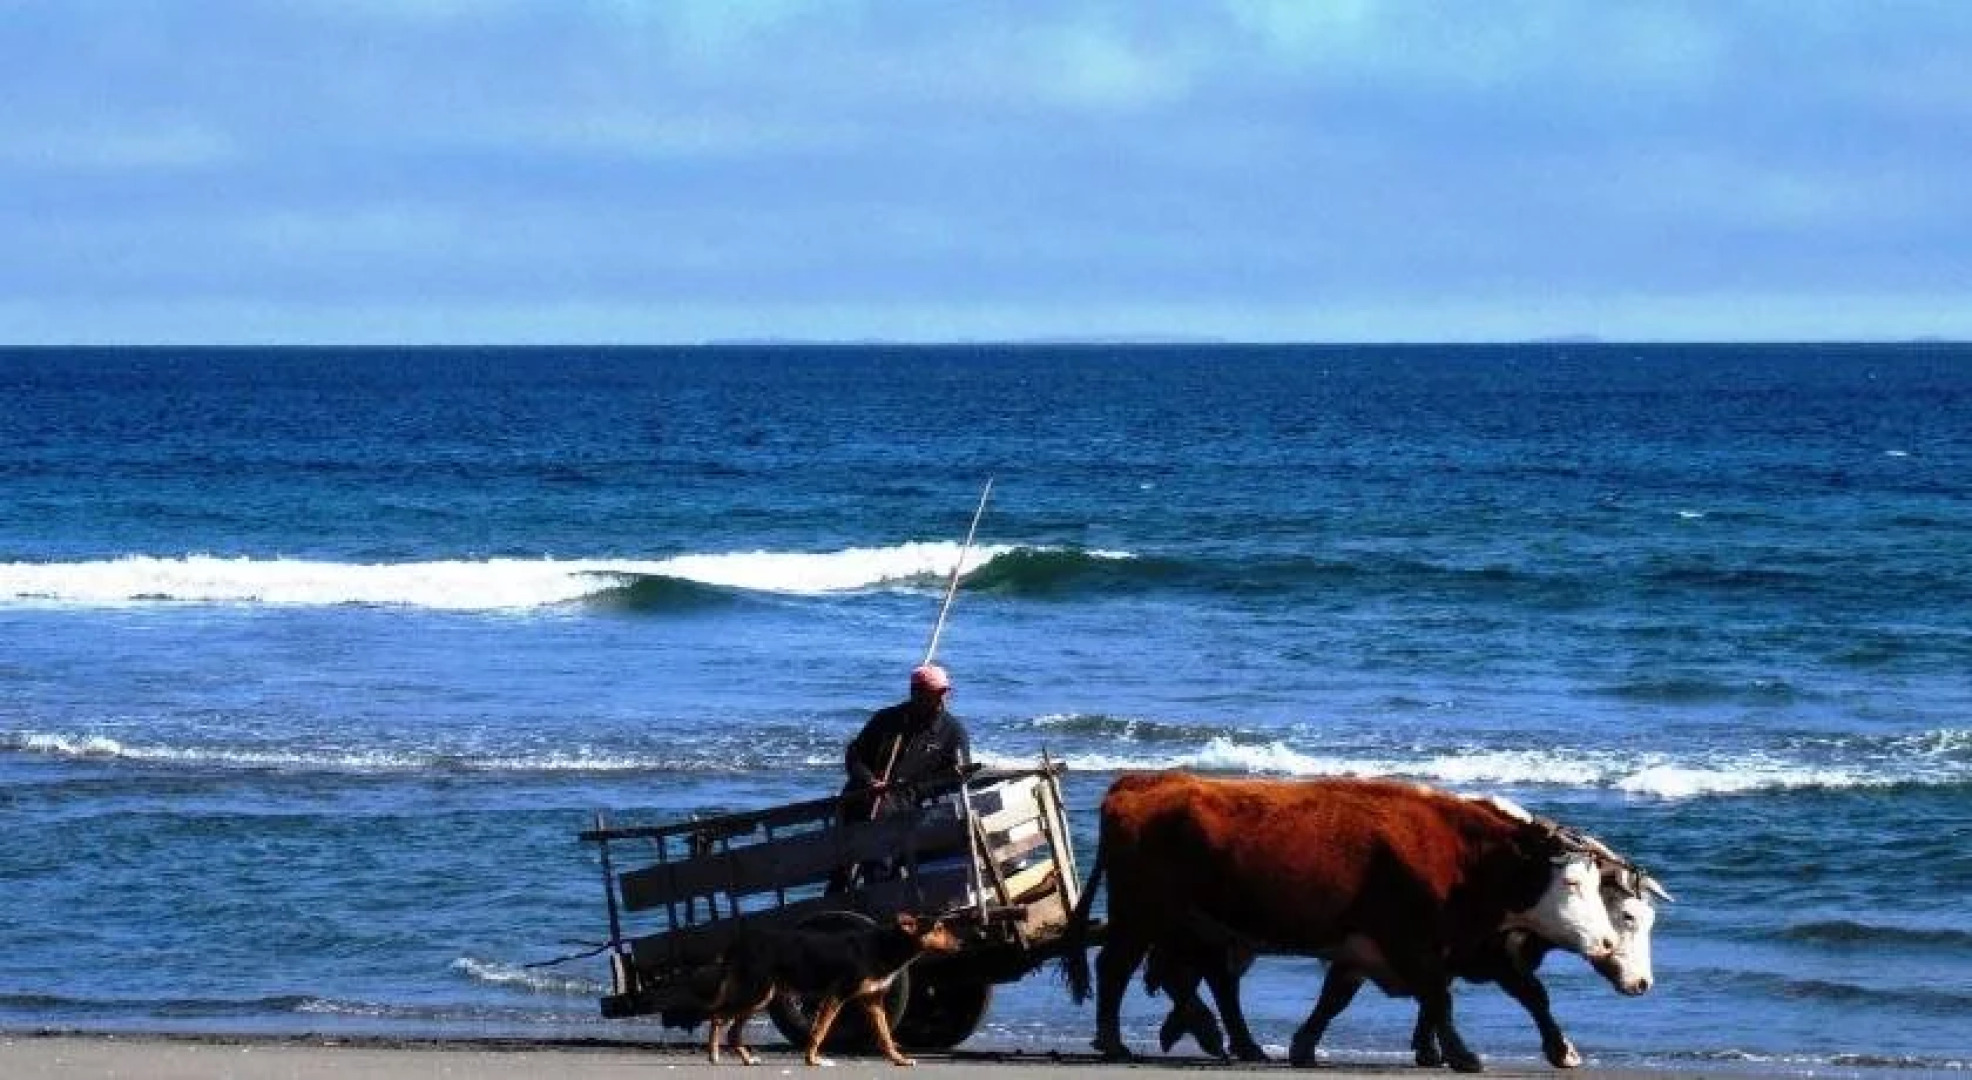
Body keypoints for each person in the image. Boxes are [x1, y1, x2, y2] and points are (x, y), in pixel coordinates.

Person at [841, 662, 972, 822]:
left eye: (944, 693)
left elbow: (960, 776)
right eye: (934, 693)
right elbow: (854, 757)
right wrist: (870, 781)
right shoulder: (885, 719)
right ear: (915, 693)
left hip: (908, 807)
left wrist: (916, 788)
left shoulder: (953, 731)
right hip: (862, 799)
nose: (941, 699)